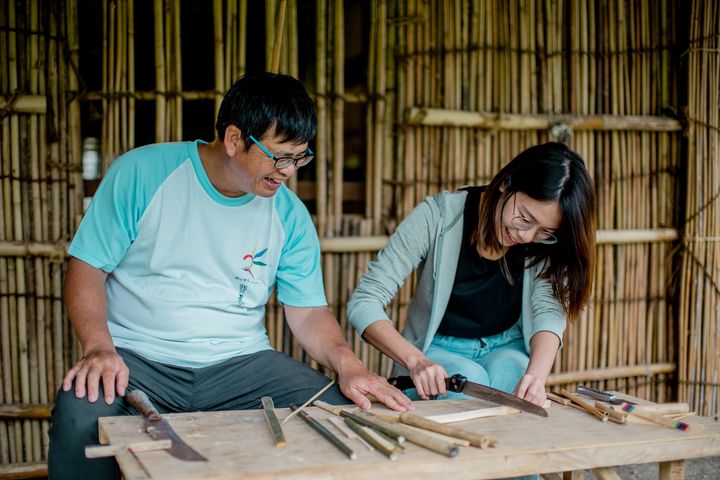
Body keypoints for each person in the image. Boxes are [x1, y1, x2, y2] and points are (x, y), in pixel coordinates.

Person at [48, 72, 412, 479]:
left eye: (299, 157)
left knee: (341, 413)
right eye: (279, 156)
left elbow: (308, 313)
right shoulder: (142, 173)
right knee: (79, 412)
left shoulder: (290, 216)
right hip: (137, 357)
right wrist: (99, 347)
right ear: (235, 139)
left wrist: (348, 364)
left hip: (242, 364)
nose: (289, 171)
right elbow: (87, 268)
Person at [347, 142, 596, 406]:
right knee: (468, 382)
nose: (526, 236)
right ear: (506, 183)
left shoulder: (543, 244)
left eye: (544, 231)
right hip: (437, 349)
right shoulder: (437, 217)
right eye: (524, 218)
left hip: (505, 346)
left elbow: (548, 313)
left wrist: (536, 376)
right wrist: (416, 361)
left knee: (515, 376)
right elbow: (365, 302)